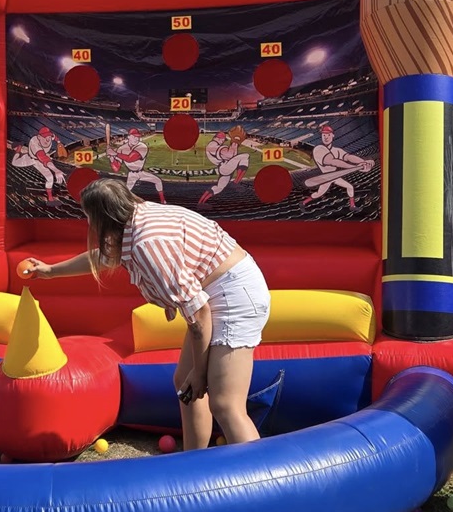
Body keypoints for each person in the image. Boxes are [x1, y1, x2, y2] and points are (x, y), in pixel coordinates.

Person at [25, 177, 271, 451]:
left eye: (89, 218)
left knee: (225, 403)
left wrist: (200, 373)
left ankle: (263, 484)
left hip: (233, 296)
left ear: (102, 218)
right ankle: (193, 463)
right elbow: (104, 257)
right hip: (217, 290)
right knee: (185, 384)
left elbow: (199, 315)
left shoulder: (147, 242)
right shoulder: (134, 217)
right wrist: (50, 271)